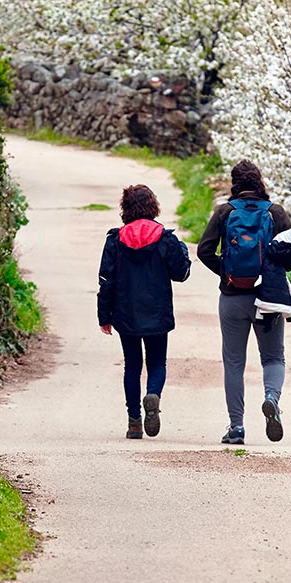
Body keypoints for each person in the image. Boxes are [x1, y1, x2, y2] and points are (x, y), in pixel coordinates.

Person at [197, 160, 291, 445]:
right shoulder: (275, 212)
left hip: (232, 298)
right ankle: (271, 399)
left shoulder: (224, 212)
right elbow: (290, 255)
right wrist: (273, 275)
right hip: (267, 299)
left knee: (234, 363)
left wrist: (226, 272)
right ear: (260, 181)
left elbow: (204, 251)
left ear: (234, 182)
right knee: (273, 357)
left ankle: (236, 428)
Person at [98, 184, 191, 439]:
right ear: (153, 206)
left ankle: (134, 421)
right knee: (157, 362)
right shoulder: (164, 238)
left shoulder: (116, 240)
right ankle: (153, 394)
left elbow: (106, 279)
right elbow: (180, 273)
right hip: (157, 311)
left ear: (125, 209)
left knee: (132, 365)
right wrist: (182, 250)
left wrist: (104, 316)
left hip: (125, 312)